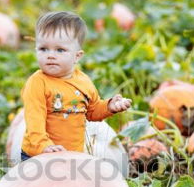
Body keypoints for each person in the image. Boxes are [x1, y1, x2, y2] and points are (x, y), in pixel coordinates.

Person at [20, 11, 131, 161]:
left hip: (73, 155)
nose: (50, 55)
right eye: (43, 49)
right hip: (39, 155)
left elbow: (92, 111)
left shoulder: (83, 81)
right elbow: (34, 119)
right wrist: (43, 146)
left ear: (77, 56)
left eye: (60, 50)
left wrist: (109, 107)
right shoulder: (38, 83)